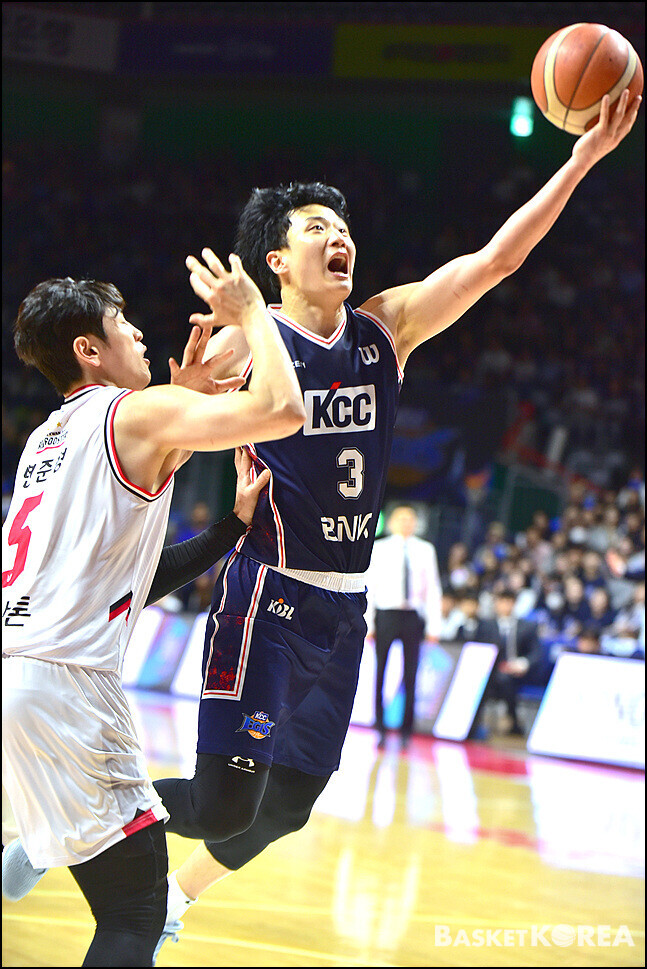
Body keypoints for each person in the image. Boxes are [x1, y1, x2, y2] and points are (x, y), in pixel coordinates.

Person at [14, 87, 642, 958]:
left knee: (291, 805)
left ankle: (165, 893)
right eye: (315, 226)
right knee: (225, 801)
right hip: (266, 592)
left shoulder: (386, 327)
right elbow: (164, 430)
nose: (337, 235)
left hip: (346, 602)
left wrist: (579, 159)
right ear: (276, 258)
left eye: (342, 226)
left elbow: (496, 260)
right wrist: (191, 390)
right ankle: (67, 836)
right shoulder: (245, 342)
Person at [1, 255, 305, 967]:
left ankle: (26, 851)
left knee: (125, 904)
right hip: (68, 686)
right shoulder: (134, 412)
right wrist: (254, 311)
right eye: (124, 325)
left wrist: (230, 526)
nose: (141, 335)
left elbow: (134, 580)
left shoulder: (47, 438)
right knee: (136, 913)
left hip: (19, 678)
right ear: (89, 349)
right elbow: (283, 410)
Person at [365, 504, 442, 749]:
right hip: (386, 613)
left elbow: (433, 588)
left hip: (412, 616)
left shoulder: (425, 550)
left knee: (411, 674)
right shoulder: (380, 548)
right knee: (381, 672)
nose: (406, 523)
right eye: (401, 518)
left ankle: (407, 730)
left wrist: (434, 625)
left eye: (410, 519)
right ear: (392, 522)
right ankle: (379, 727)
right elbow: (370, 586)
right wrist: (368, 622)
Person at [472, 587, 543, 735]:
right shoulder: (485, 626)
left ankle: (513, 721)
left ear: (514, 603)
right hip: (491, 672)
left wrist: (523, 663)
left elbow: (536, 653)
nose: (505, 605)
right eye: (502, 601)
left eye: (508, 602)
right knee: (497, 679)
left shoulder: (527, 627)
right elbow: (478, 649)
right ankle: (478, 722)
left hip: (519, 672)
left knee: (505, 679)